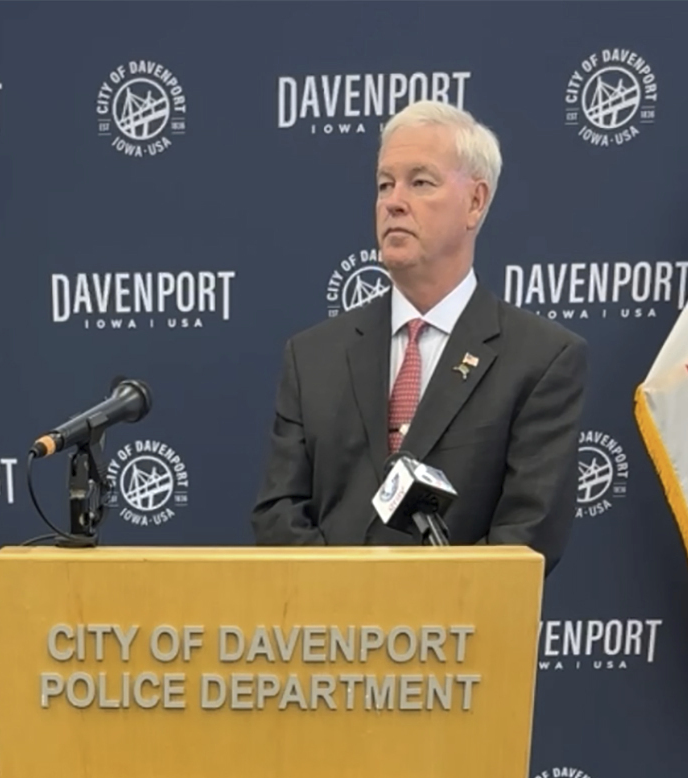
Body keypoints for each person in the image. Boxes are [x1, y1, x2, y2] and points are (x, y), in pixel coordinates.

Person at [251, 100, 587, 576]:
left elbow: (526, 536)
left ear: (475, 202)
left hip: (460, 640)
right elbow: (278, 513)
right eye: (384, 184)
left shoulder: (541, 359)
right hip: (329, 636)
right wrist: (346, 606)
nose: (393, 201)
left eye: (420, 182)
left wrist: (416, 612)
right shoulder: (312, 357)